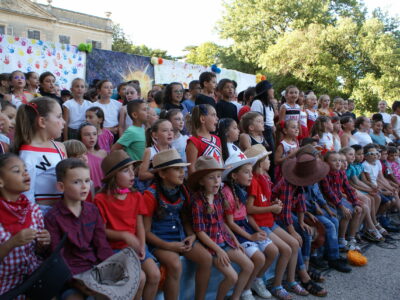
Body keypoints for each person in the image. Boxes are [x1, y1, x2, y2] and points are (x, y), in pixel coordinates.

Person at [45, 159, 144, 300]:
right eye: (76, 182)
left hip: (95, 270)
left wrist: (111, 269)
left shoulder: (92, 211)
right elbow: (57, 257)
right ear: (61, 187)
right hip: (71, 276)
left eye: (87, 181)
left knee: (132, 281)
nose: (84, 186)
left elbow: (101, 245)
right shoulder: (53, 217)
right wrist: (76, 282)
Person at [143, 149, 212, 300]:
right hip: (159, 241)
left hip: (180, 236)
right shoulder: (150, 194)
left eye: (183, 168)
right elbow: (146, 232)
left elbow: (185, 219)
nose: (182, 172)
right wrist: (169, 246)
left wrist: (191, 235)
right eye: (177, 169)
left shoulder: (182, 189)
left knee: (206, 258)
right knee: (175, 264)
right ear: (162, 174)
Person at [94, 150, 160, 300]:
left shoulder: (136, 195)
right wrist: (124, 235)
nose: (132, 174)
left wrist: (142, 246)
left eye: (132, 170)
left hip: (135, 246)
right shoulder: (100, 199)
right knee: (139, 278)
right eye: (126, 171)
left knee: (155, 274)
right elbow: (102, 231)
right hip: (115, 249)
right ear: (113, 176)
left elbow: (140, 225)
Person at [189, 156, 254, 300]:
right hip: (211, 246)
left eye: (218, 177)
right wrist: (218, 250)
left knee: (248, 266)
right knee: (232, 276)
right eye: (211, 178)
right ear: (201, 181)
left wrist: (234, 239)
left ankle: (235, 297)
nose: (217, 181)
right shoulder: (197, 201)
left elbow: (222, 222)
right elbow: (199, 232)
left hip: (224, 240)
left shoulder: (218, 196)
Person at [271, 145, 329, 297]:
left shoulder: (301, 184)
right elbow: (284, 210)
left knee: (306, 231)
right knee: (297, 237)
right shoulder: (287, 184)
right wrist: (291, 230)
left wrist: (302, 222)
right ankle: (304, 276)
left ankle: (305, 268)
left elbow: (301, 204)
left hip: (289, 214)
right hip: (276, 215)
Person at [222, 152, 276, 299]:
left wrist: (257, 230)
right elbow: (230, 222)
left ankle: (255, 280)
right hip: (237, 230)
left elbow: (246, 215)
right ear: (233, 176)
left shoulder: (242, 190)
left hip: (246, 226)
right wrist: (250, 236)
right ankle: (245, 290)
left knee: (272, 251)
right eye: (246, 172)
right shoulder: (227, 193)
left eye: (251, 172)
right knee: (259, 258)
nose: (251, 175)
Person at [0, 153, 51, 295]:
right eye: (17, 171)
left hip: (33, 279)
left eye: (25, 170)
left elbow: (38, 253)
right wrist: (12, 243)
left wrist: (43, 243)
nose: (24, 174)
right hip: (6, 286)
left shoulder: (33, 210)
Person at [14, 97, 66, 213]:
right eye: (59, 117)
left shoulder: (58, 146)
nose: (64, 122)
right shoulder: (28, 154)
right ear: (42, 121)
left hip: (62, 211)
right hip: (42, 213)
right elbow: (27, 195)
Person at [319, 151, 363, 251]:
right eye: (334, 160)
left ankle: (351, 238)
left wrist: (355, 202)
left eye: (339, 160)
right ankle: (341, 240)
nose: (338, 163)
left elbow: (348, 189)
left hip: (338, 199)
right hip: (328, 201)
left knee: (358, 209)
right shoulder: (325, 174)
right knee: (346, 212)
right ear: (326, 162)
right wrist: (341, 206)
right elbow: (328, 192)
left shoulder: (341, 172)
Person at [186, 104, 221, 174]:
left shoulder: (217, 139)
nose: (217, 118)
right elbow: (191, 168)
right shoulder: (194, 141)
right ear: (202, 119)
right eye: (213, 115)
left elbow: (220, 161)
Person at [138, 119, 173, 184]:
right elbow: (141, 175)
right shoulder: (149, 151)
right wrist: (163, 176)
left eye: (171, 130)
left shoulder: (173, 150)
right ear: (155, 135)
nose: (170, 133)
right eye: (165, 130)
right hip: (154, 189)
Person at [78, 122, 106, 190]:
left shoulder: (103, 153)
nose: (91, 137)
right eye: (87, 134)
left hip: (103, 190)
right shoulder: (79, 156)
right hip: (87, 191)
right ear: (80, 137)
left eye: (94, 134)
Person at [250, 80, 276, 153]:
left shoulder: (269, 104)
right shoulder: (257, 103)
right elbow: (255, 122)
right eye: (271, 88)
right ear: (266, 90)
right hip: (263, 134)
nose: (273, 90)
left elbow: (271, 121)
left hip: (270, 133)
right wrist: (263, 140)